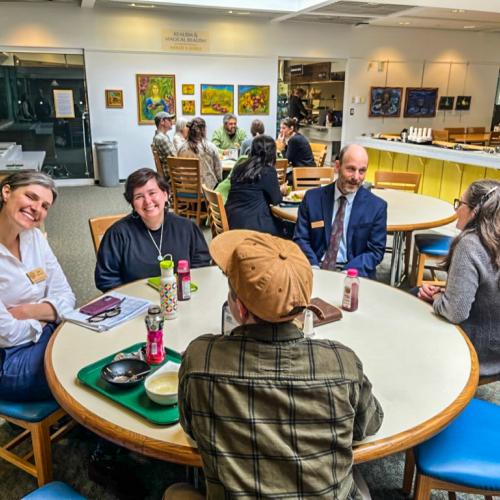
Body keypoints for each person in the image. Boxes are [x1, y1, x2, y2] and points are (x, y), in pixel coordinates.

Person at [170, 230, 383, 499]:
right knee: (359, 485)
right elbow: (369, 425)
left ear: (241, 309)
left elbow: (191, 429)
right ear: (304, 305)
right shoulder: (343, 364)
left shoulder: (200, 359)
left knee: (176, 491)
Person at [0, 172, 75, 401]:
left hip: (41, 336)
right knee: (79, 364)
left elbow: (67, 296)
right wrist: (49, 320)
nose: (36, 209)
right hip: (7, 361)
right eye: (31, 197)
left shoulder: (34, 238)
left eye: (44, 206)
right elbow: (6, 334)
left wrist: (27, 312)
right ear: (6, 192)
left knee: (93, 346)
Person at [417, 180, 500, 377]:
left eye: (460, 203)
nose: (456, 210)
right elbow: (487, 292)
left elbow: (456, 312)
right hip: (495, 342)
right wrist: (445, 293)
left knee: (414, 306)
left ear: (474, 211)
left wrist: (438, 300)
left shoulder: (470, 245)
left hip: (478, 351)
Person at [95, 168, 210, 292]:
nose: (148, 201)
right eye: (139, 197)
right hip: (137, 304)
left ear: (166, 194)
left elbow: (201, 267)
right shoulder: (117, 234)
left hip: (181, 299)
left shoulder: (187, 228)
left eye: (152, 193)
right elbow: (106, 279)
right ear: (132, 203)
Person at [294, 144, 387, 278]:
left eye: (362, 171)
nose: (356, 177)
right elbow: (301, 238)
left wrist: (348, 273)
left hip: (354, 272)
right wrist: (313, 267)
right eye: (351, 169)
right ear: (337, 166)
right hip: (315, 267)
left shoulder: (376, 207)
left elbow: (375, 251)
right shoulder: (312, 199)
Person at [225, 135, 285, 237]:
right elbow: (276, 200)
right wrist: (281, 190)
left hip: (232, 220)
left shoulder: (238, 167)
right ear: (272, 153)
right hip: (254, 226)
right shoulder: (268, 171)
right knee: (289, 228)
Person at [177, 117, 222, 190]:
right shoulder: (210, 147)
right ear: (203, 130)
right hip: (207, 190)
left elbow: (179, 170)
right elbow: (218, 171)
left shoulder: (181, 148)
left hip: (187, 188)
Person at [151, 111, 176, 181]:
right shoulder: (162, 138)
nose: (172, 122)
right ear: (162, 122)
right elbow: (175, 157)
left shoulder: (160, 136)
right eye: (169, 120)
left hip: (169, 171)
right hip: (171, 173)